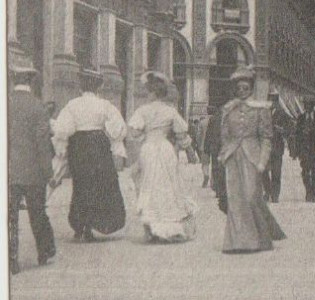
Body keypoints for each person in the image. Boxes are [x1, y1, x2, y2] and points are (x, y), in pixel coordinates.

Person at [51, 69, 127, 242]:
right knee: (98, 184)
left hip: (79, 145)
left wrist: (64, 143)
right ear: (98, 88)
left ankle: (80, 225)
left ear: (81, 86)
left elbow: (63, 129)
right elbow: (119, 128)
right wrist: (113, 139)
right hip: (98, 144)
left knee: (81, 184)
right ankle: (92, 225)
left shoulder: (72, 104)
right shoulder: (104, 105)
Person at [218, 66, 286, 252]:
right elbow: (224, 135)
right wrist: (223, 154)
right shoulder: (228, 109)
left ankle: (262, 237)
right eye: (239, 89)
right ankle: (237, 242)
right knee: (235, 200)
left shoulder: (261, 109)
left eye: (245, 88)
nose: (242, 92)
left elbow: (266, 137)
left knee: (251, 197)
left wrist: (263, 161)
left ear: (251, 89)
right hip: (233, 156)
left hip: (252, 157)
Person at [127, 72, 198, 243]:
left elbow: (134, 132)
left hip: (149, 149)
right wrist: (189, 150)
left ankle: (151, 228)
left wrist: (145, 135)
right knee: (167, 186)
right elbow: (181, 133)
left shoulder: (142, 110)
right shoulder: (170, 111)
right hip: (166, 150)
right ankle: (169, 226)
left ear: (151, 93)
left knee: (148, 185)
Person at [8, 64, 56, 274]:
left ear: (13, 80)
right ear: (31, 82)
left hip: (8, 172)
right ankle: (44, 251)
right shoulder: (38, 107)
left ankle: (11, 258)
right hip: (34, 172)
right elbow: (42, 145)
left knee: (9, 216)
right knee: (37, 213)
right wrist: (49, 173)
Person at [295, 95, 315, 202]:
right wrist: (296, 150)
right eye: (306, 105)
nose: (307, 107)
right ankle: (308, 192)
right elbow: (297, 135)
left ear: (313, 105)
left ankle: (314, 194)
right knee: (305, 173)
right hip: (304, 151)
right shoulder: (300, 118)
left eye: (309, 104)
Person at [262, 93, 292, 203]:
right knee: (263, 171)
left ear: (276, 102)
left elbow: (290, 129)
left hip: (277, 147)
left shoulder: (282, 114)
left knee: (276, 172)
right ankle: (267, 191)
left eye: (272, 101)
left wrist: (282, 130)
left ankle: (275, 195)